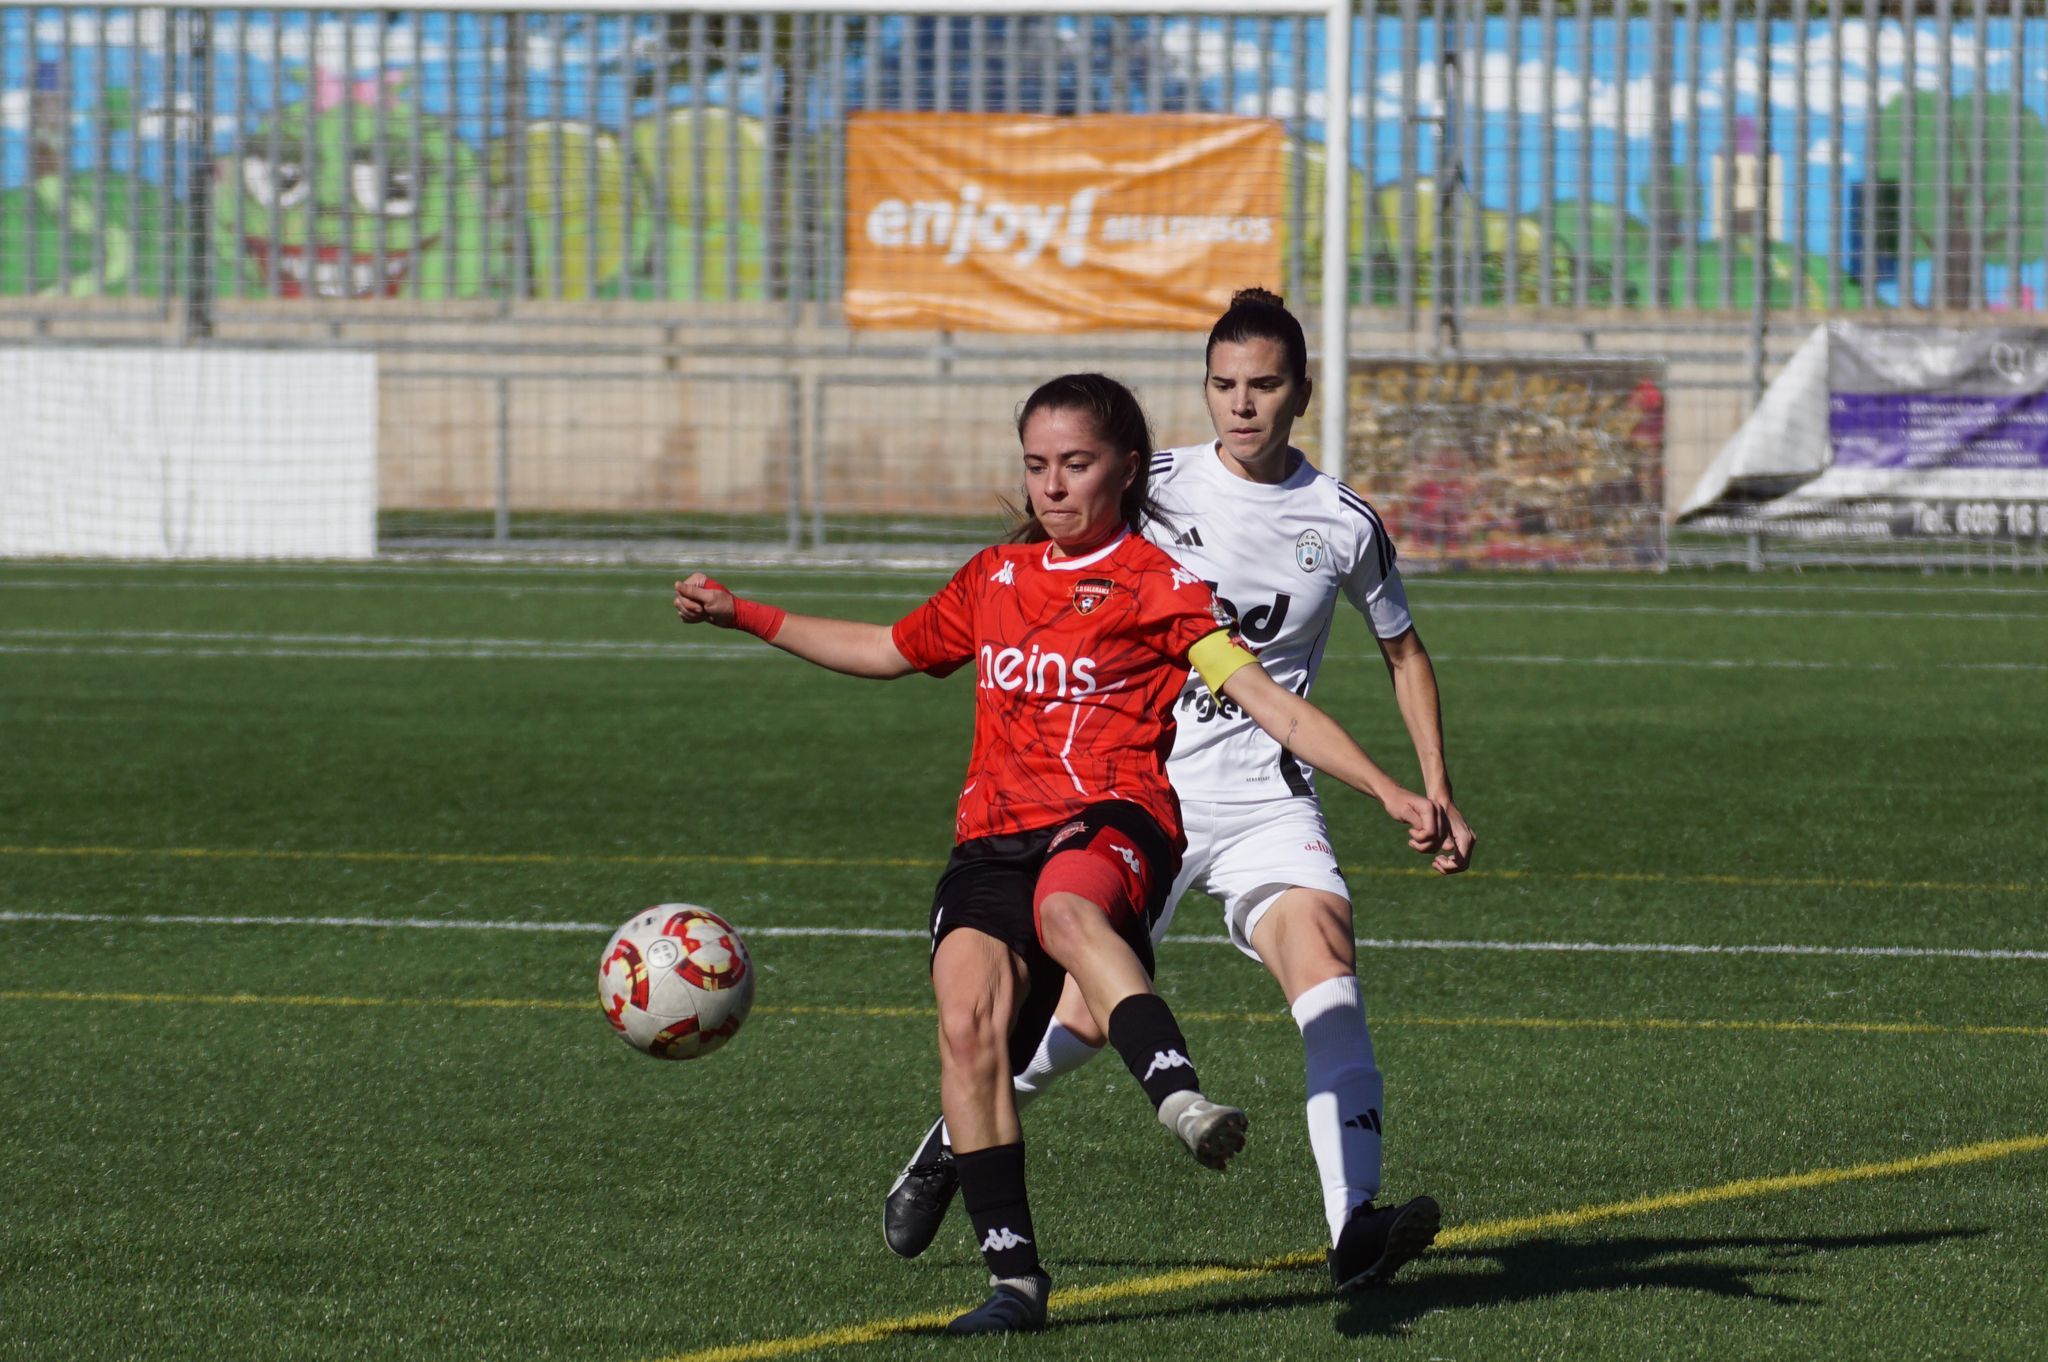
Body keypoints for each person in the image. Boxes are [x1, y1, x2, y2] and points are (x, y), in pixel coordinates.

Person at [677, 372, 1447, 1335]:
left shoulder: (1160, 586)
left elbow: (1271, 702)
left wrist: (1386, 787)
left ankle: (1179, 1097)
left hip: (1114, 818)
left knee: (1068, 911)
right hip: (990, 839)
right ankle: (1016, 1285)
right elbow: (887, 647)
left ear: (1126, 468)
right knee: (969, 1029)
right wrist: (741, 614)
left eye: (1075, 464)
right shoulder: (994, 579)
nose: (1051, 486)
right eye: (1037, 466)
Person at [881, 291, 1477, 1293]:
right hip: (1130, 794)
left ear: (1300, 391)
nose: (1240, 406)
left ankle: (1352, 1230)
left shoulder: (1339, 522)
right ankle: (953, 1138)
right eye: (1222, 384)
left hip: (1262, 797)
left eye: (1263, 386)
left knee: (1325, 965)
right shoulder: (1140, 482)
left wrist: (1429, 788)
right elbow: (1034, 566)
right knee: (1071, 1018)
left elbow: (1402, 653)